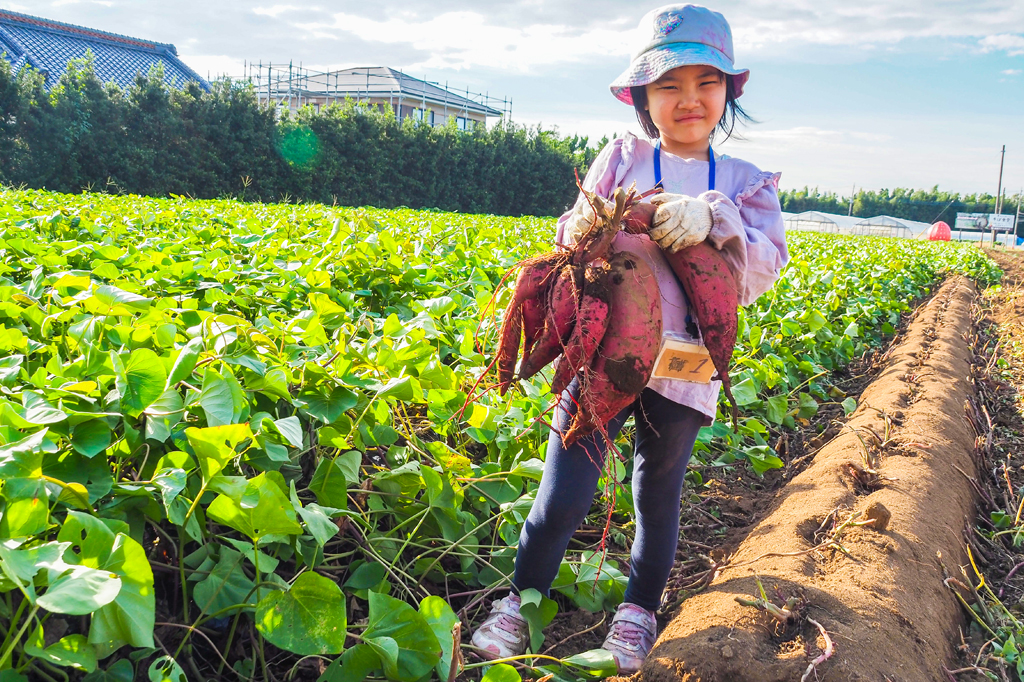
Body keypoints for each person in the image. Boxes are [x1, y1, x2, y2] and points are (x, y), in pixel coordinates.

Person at [471, 3, 789, 674]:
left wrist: (714, 219)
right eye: (669, 85)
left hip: (685, 368)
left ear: (728, 91)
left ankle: (638, 613)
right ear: (643, 97)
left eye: (705, 83)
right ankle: (519, 601)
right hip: (602, 356)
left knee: (656, 495)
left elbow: (761, 272)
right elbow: (569, 234)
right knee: (562, 492)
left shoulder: (743, 182)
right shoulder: (623, 158)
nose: (688, 98)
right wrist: (608, 223)